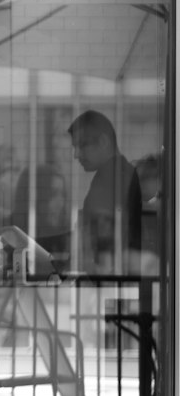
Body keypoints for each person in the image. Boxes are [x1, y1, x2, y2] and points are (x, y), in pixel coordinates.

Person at [67, 110, 142, 275]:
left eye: (82, 145)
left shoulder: (112, 176)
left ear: (103, 142)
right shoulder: (121, 172)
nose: (76, 154)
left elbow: (103, 235)